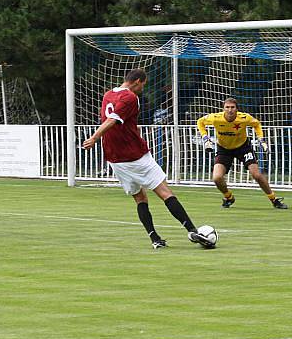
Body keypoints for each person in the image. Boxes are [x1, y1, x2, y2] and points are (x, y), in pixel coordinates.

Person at [82, 68, 211, 249]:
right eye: (144, 84)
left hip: (114, 158)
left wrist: (99, 137)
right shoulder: (130, 98)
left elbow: (109, 119)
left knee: (140, 198)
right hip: (135, 155)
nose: (143, 88)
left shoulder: (108, 95)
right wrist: (95, 137)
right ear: (137, 81)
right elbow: (112, 119)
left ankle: (155, 239)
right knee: (165, 193)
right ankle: (191, 230)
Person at [197, 97, 288, 209]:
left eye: (232, 107)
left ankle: (274, 199)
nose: (230, 110)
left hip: (243, 148)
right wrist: (205, 137)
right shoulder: (216, 118)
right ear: (223, 108)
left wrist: (261, 139)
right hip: (224, 149)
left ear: (236, 109)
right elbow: (200, 122)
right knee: (216, 178)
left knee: (256, 175)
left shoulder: (244, 118)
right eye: (227, 107)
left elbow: (257, 124)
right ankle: (229, 197)